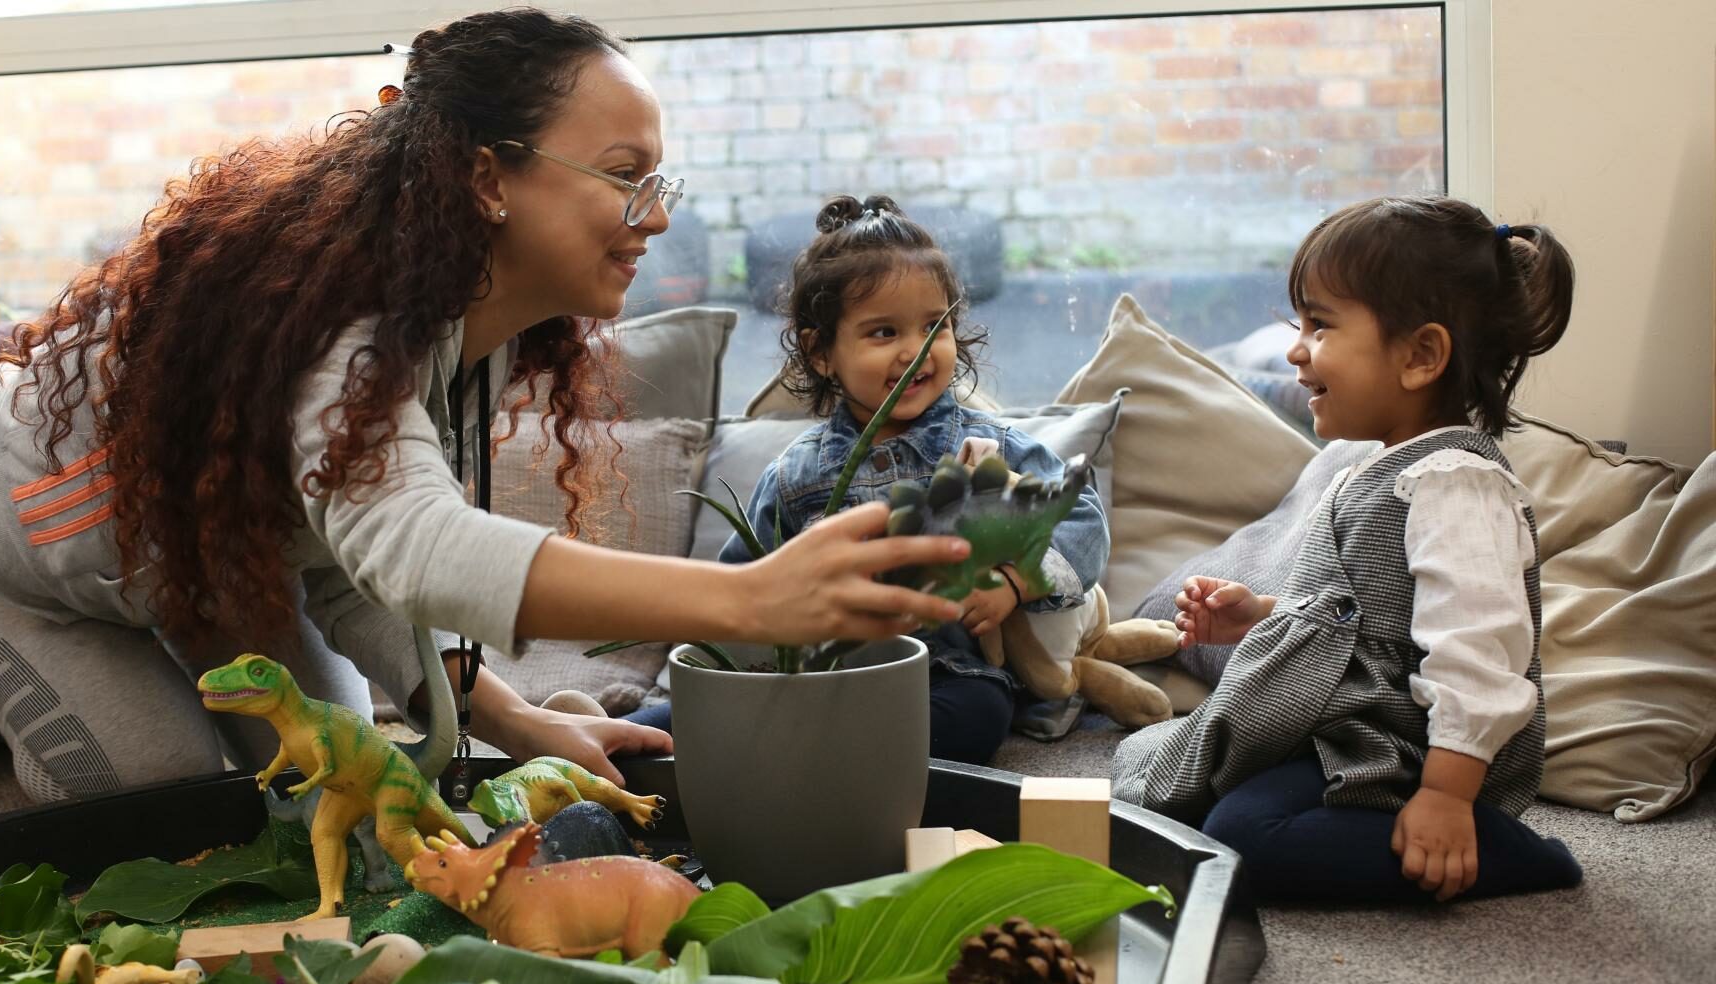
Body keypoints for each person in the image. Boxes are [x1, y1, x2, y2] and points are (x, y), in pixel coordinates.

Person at [0, 9, 967, 804]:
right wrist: (749, 603)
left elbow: (349, 561)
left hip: (202, 562)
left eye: (660, 183)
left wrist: (513, 720)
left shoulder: (450, 336)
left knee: (331, 784)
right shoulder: (334, 325)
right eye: (628, 175)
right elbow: (414, 545)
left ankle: (152, 663)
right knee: (152, 790)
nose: (655, 217)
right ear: (488, 178)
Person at [1113, 195, 1585, 904]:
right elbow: (1366, 615)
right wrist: (1263, 616)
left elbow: (1480, 655)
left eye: (1320, 325)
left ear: (1421, 356)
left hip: (1413, 757)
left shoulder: (1458, 486)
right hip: (1351, 728)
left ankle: (1514, 855)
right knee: (1180, 787)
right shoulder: (1375, 465)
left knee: (1247, 840)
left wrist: (1447, 799)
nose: (1295, 350)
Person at [627, 194, 1108, 765]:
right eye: (883, 333)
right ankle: (610, 734)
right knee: (677, 720)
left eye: (935, 325)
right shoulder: (797, 474)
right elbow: (740, 586)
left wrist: (1012, 582)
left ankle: (808, 751)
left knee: (980, 712)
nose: (915, 350)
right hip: (812, 671)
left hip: (940, 671)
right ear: (822, 351)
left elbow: (1080, 517)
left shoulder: (991, 448)